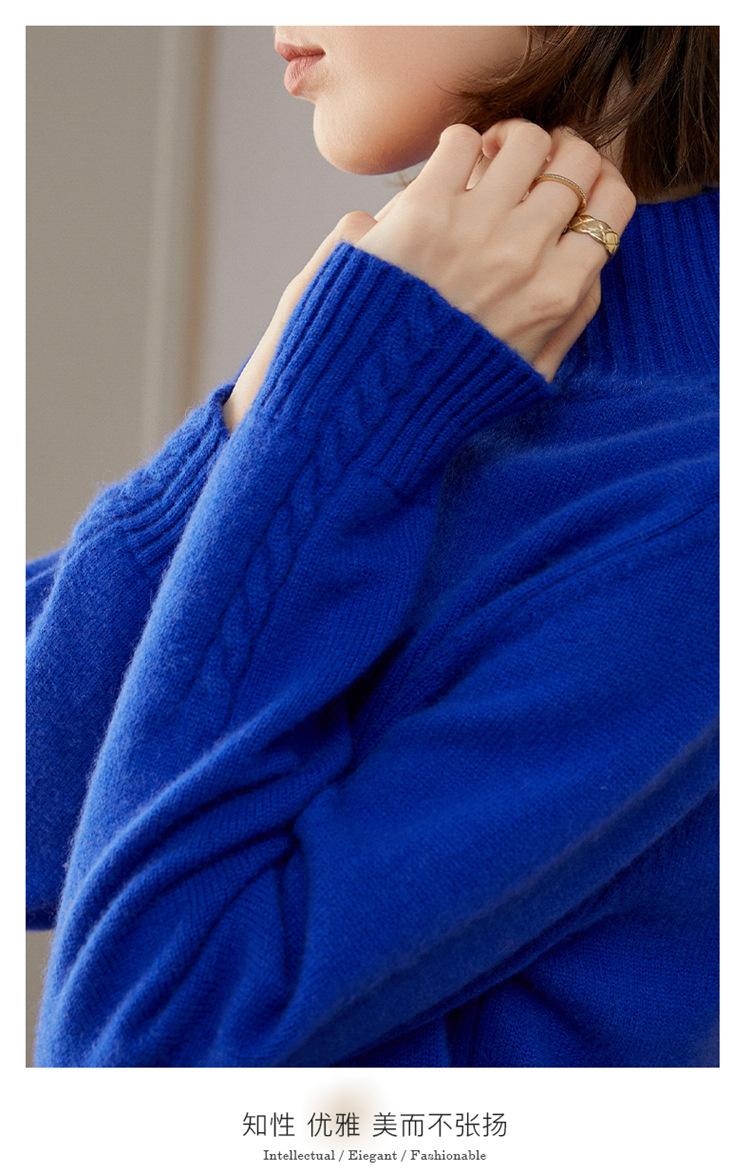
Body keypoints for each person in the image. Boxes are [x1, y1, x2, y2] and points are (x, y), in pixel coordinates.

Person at [27, 26, 718, 1067]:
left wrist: (317, 428)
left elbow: (144, 1068)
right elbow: (36, 809)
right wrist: (251, 426)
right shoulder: (420, 365)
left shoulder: (692, 512)